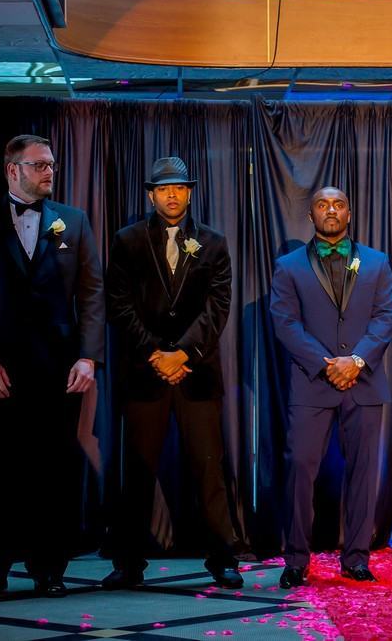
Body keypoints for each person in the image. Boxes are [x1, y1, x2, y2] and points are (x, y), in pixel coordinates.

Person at [0, 134, 105, 597]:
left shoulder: (73, 221)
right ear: (12, 170)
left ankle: (48, 569)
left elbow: (92, 292)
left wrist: (88, 356)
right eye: (39, 165)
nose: (49, 172)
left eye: (51, 164)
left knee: (54, 472)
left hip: (58, 371)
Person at [103, 157, 243, 590]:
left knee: (209, 469)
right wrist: (156, 354)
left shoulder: (213, 243)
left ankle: (223, 557)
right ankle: (129, 562)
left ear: (190, 193)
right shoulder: (127, 240)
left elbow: (218, 307)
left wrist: (181, 354)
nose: (172, 195)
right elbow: (118, 304)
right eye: (164, 188)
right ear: (151, 195)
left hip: (195, 373)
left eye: (179, 188)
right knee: (138, 471)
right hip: (145, 373)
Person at [270, 186, 392, 588]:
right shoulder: (288, 266)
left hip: (364, 382)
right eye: (323, 205)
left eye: (338, 204)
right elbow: (285, 323)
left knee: (364, 473)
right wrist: (327, 365)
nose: (331, 210)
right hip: (312, 384)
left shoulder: (377, 262)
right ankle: (296, 560)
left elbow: (385, 316)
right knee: (299, 468)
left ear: (349, 213)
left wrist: (355, 361)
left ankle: (356, 558)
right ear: (311, 216)